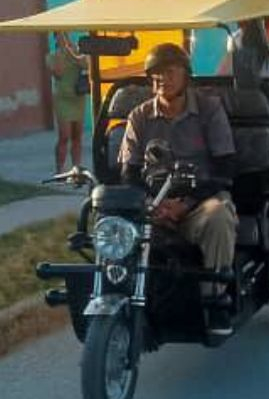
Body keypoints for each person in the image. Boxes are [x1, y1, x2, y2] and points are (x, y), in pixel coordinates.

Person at [118, 43, 239, 335]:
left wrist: (185, 204)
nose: (163, 80)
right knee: (108, 224)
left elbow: (225, 170)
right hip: (152, 205)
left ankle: (216, 299)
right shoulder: (139, 116)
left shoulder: (210, 109)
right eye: (157, 74)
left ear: (186, 75)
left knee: (219, 216)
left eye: (170, 72)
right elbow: (128, 173)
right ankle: (116, 296)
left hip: (199, 202)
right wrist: (151, 205)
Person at [46, 32, 88, 173]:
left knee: (77, 136)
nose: (64, 37)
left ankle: (76, 168)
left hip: (77, 98)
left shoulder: (76, 53)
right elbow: (58, 73)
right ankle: (60, 169)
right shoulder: (51, 57)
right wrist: (61, 52)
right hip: (63, 99)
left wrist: (72, 52)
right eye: (60, 35)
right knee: (64, 136)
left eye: (65, 34)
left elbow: (85, 65)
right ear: (56, 38)